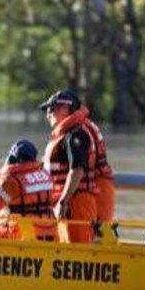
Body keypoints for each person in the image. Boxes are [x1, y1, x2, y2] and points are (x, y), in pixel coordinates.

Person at [38, 90, 115, 244]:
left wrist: (63, 202)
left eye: (52, 108)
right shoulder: (72, 131)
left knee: (80, 251)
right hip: (71, 200)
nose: (48, 114)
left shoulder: (75, 134)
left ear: (66, 109)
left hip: (77, 201)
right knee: (70, 248)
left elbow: (77, 169)